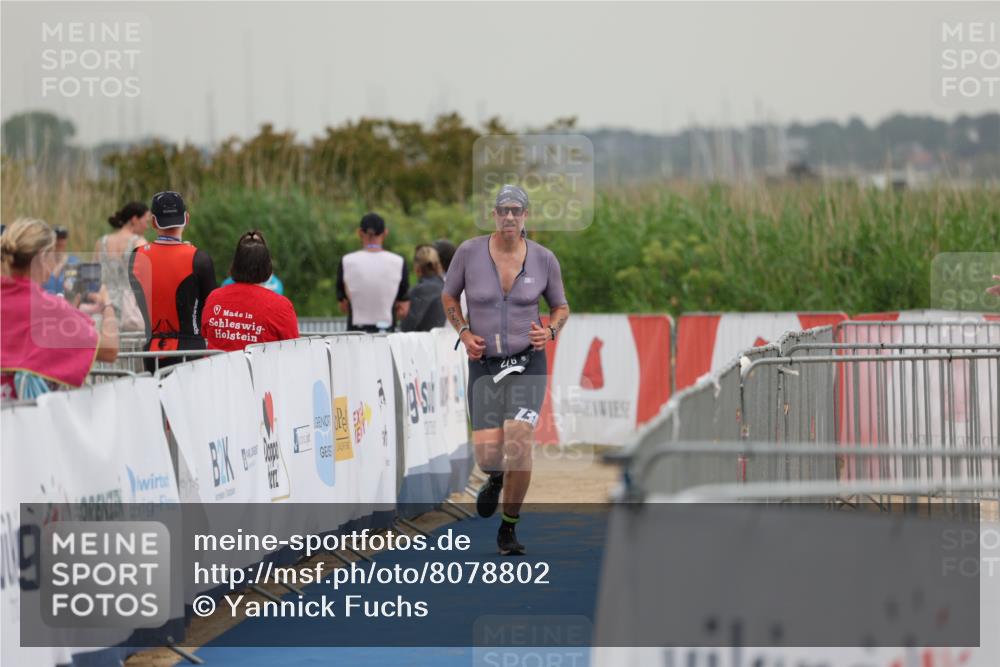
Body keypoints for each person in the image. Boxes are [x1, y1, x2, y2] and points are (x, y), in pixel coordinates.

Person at [441, 185, 570, 555]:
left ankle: (509, 527)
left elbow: (561, 307)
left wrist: (551, 331)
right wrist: (464, 333)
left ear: (525, 215)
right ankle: (495, 477)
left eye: (516, 210)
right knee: (488, 456)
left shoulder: (544, 259)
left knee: (519, 436)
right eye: (503, 210)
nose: (510, 216)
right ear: (494, 215)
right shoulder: (469, 252)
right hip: (484, 364)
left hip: (528, 362)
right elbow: (449, 296)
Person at [1, 218, 118, 401]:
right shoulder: (49, 308)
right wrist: (108, 305)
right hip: (26, 415)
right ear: (42, 257)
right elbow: (109, 350)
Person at [128, 191, 216, 373]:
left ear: (154, 222)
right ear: (186, 218)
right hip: (192, 350)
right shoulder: (200, 259)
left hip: (152, 352)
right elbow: (211, 307)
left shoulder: (137, 256)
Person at [202, 231, 299, 351]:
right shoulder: (281, 306)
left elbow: (205, 333)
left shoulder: (214, 298)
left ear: (235, 264)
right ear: (267, 266)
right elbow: (293, 349)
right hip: (262, 364)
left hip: (217, 363)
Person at [336, 212, 409, 332]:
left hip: (356, 331)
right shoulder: (399, 262)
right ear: (385, 233)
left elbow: (343, 306)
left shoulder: (346, 261)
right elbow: (403, 309)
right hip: (386, 330)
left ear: (360, 232)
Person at [98, 202, 151, 331]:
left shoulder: (101, 242)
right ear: (135, 219)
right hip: (130, 311)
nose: (147, 226)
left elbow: (93, 277)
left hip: (104, 307)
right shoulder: (140, 243)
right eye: (146, 221)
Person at [400, 245, 446, 332]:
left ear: (417, 267)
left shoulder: (419, 290)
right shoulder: (445, 287)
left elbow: (407, 327)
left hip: (424, 338)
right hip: (443, 338)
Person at [41, 226, 79, 296]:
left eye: (62, 238)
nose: (60, 242)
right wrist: (60, 264)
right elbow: (46, 286)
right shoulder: (43, 262)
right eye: (57, 238)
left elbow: (75, 284)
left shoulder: (73, 261)